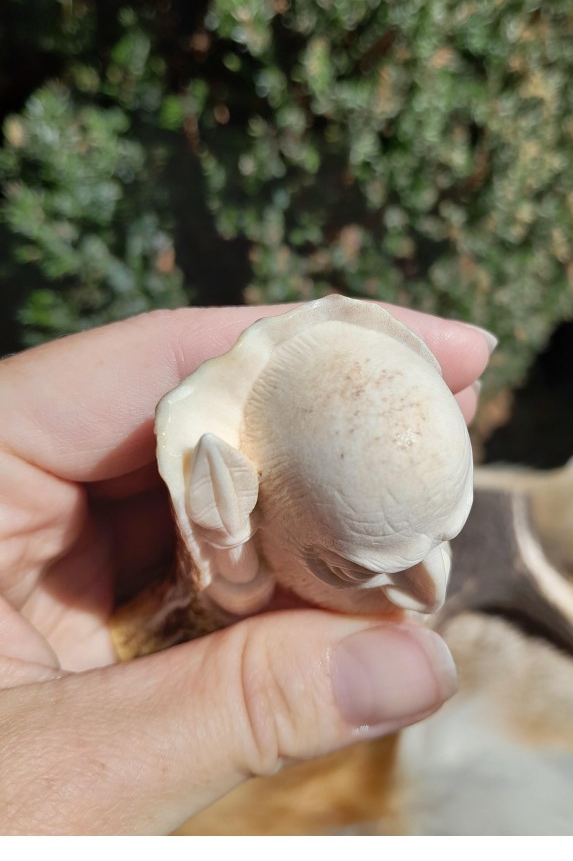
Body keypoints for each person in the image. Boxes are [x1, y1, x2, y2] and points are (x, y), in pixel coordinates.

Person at [0, 303, 494, 834]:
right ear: (253, 509)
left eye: (443, 536)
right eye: (353, 568)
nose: (429, 587)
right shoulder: (233, 552)